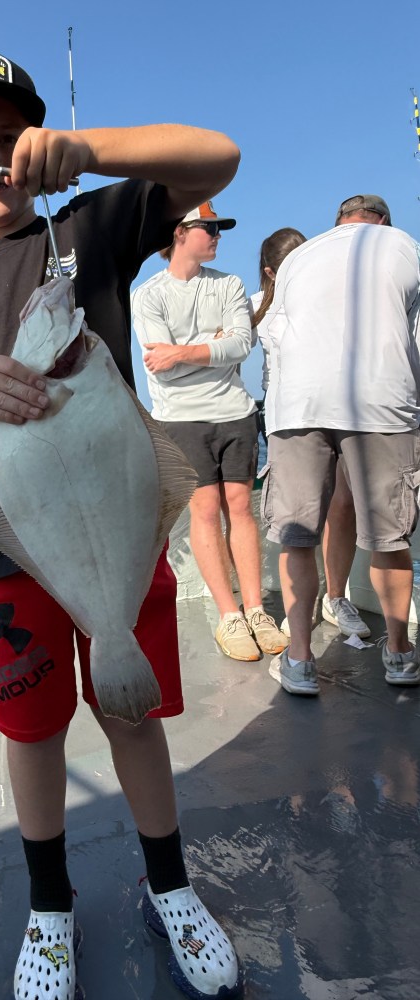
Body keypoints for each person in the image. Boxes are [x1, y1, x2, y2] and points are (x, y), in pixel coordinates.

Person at [0, 48, 243, 1000]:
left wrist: (88, 152)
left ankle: (170, 885)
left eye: (10, 138)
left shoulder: (89, 225)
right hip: (8, 555)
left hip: (118, 534)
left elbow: (216, 157)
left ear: (39, 144)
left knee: (133, 717)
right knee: (33, 732)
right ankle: (50, 908)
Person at [261, 194, 420, 696]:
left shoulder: (301, 258)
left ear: (338, 223)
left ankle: (301, 659)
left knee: (297, 536)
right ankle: (399, 653)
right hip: (383, 402)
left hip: (298, 405)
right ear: (382, 222)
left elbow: (272, 332)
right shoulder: (404, 245)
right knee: (390, 537)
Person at [132, 203, 287, 663]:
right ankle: (228, 616)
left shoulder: (230, 284)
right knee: (204, 511)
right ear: (179, 232)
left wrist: (182, 352)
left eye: (218, 228)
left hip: (235, 412)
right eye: (210, 227)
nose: (218, 235)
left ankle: (255, 609)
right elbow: (159, 370)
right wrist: (210, 347)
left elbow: (242, 344)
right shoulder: (149, 294)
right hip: (181, 418)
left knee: (241, 507)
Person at [250, 227, 371, 640]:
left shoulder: (329, 305)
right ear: (270, 272)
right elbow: (228, 351)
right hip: (288, 420)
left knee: (343, 503)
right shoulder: (255, 311)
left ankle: (336, 597)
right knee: (297, 522)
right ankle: (303, 608)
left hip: (338, 411)